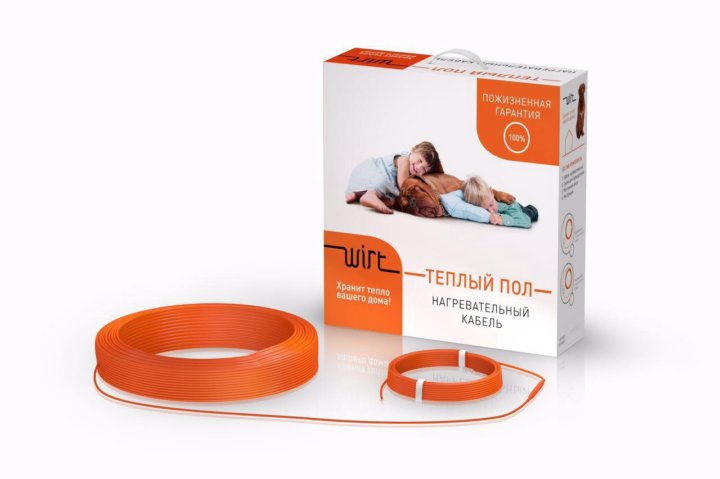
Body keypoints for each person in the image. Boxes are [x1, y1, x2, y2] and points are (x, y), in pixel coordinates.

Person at [345, 141, 444, 214]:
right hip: (370, 170)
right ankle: (370, 195)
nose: (418, 167)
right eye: (420, 161)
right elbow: (403, 185)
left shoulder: (413, 174)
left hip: (366, 182)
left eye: (424, 169)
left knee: (391, 200)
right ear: (414, 150)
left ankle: (355, 195)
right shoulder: (404, 160)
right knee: (385, 180)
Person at [440, 175, 538, 228]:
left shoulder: (508, 206)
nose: (491, 211)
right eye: (486, 209)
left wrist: (502, 219)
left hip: (519, 210)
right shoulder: (476, 202)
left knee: (531, 213)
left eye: (491, 205)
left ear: (492, 192)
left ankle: (530, 209)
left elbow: (526, 222)